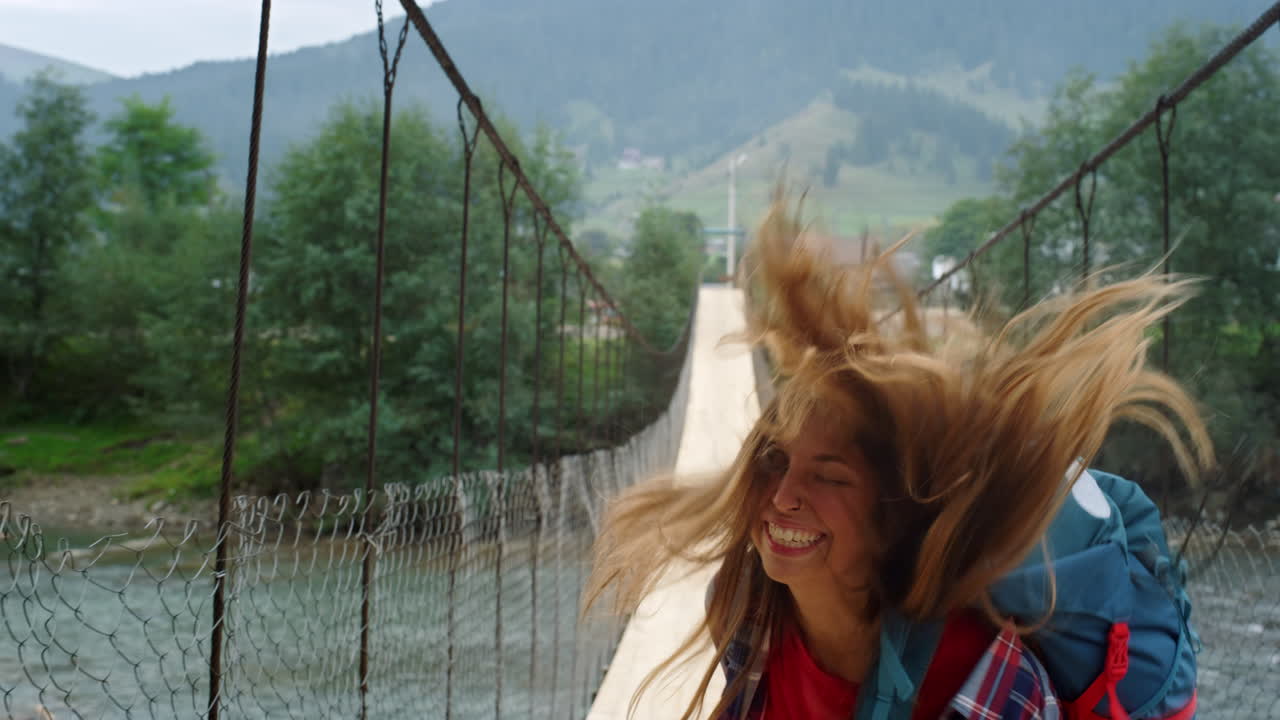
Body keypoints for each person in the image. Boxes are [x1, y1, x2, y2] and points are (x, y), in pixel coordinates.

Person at [584, 192, 1212, 720]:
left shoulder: (977, 674)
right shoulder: (743, 601)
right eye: (773, 462)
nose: (782, 497)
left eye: (829, 476)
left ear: (892, 513)